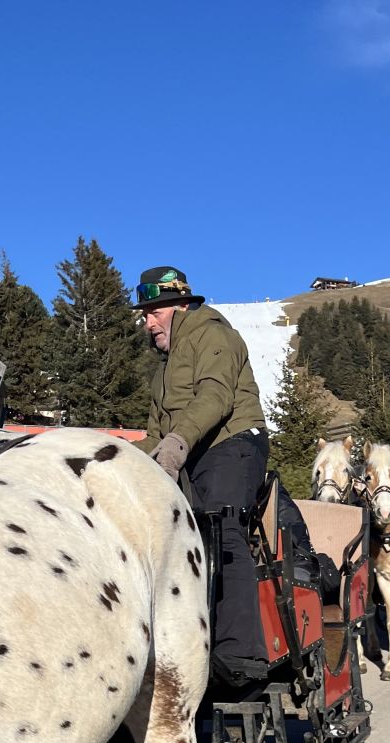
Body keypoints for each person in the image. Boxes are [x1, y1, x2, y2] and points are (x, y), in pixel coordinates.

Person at [135, 265, 269, 681]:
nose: (148, 322)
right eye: (145, 314)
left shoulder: (213, 334)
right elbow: (155, 435)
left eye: (154, 312)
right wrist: (116, 457)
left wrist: (176, 443)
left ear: (180, 305)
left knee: (221, 529)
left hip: (233, 444)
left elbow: (216, 396)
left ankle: (242, 654)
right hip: (191, 453)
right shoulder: (163, 369)